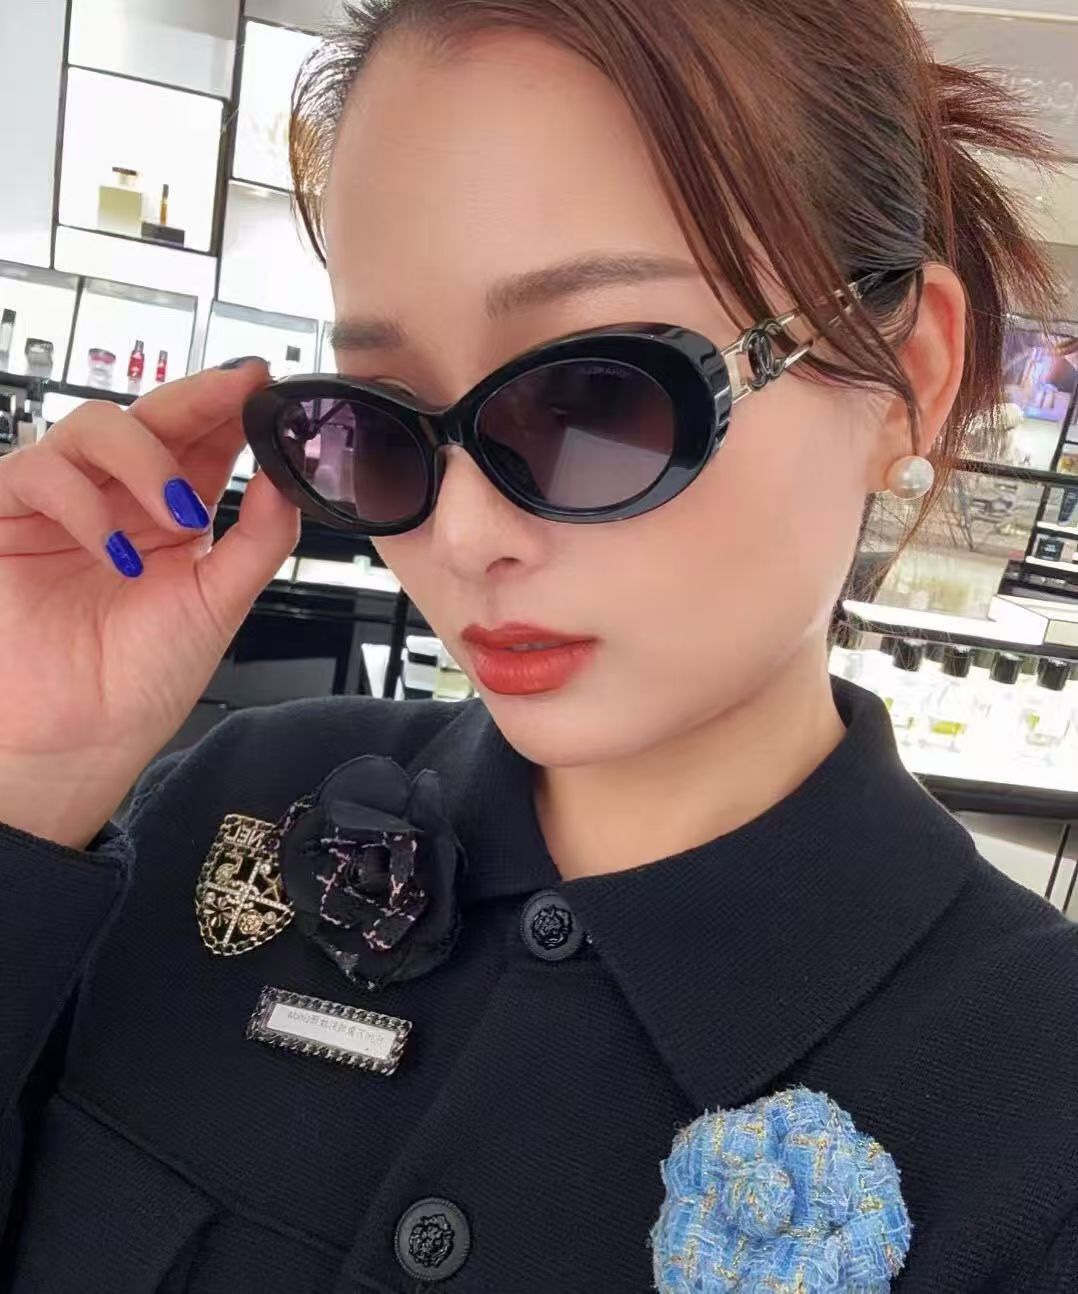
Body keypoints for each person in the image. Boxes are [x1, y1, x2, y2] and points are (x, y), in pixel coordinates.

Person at [1, 1, 1076, 1290]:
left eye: (593, 399)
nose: (460, 536)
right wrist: (26, 780)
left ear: (908, 376)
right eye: (378, 422)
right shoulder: (222, 815)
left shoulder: (1038, 1111)